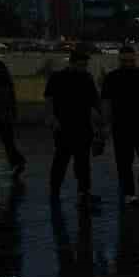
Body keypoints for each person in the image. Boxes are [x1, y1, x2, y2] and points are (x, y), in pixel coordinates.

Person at [102, 45, 139, 204]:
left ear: (135, 59)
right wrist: (106, 123)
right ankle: (129, 193)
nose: (128, 64)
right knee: (124, 161)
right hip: (121, 124)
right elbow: (106, 102)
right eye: (124, 61)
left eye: (131, 60)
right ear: (119, 60)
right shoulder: (112, 77)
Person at [45, 50, 105, 205]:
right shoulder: (57, 77)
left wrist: (102, 118)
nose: (83, 68)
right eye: (81, 65)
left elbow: (95, 100)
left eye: (85, 65)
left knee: (82, 163)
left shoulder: (86, 77)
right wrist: (52, 117)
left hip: (83, 126)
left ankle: (83, 192)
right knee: (62, 160)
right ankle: (56, 190)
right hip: (64, 126)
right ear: (71, 63)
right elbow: (49, 99)